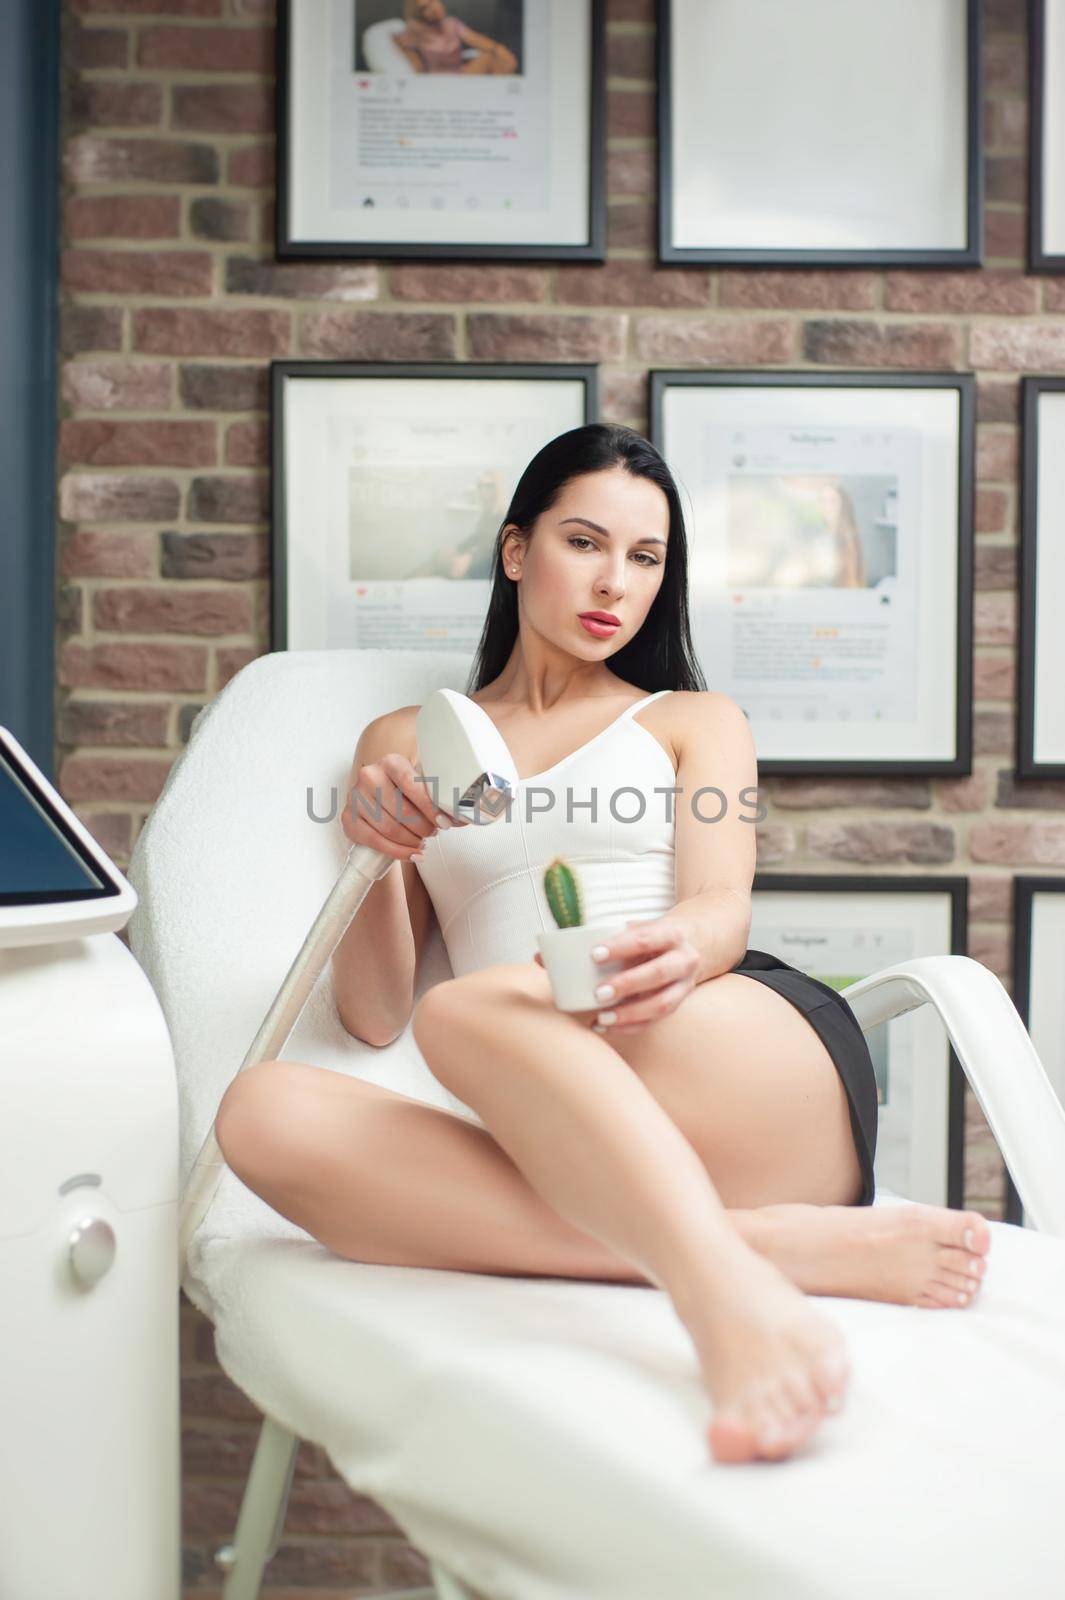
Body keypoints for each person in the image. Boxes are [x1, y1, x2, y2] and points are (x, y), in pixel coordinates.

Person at [215, 423, 992, 1466]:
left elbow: (723, 910)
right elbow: (372, 1011)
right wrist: (372, 850)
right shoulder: (403, 743)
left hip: (721, 1040)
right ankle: (770, 1245)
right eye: (584, 542)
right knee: (261, 1112)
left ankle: (725, 1304)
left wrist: (681, 947)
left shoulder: (692, 719)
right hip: (557, 1104)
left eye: (645, 557)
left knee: (470, 1006)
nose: (613, 582)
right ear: (514, 549)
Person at [391, 0, 518, 75]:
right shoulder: (417, 34)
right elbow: (415, 65)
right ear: (419, 14)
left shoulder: (452, 24)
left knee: (498, 58)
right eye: (425, 8)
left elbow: (477, 40)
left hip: (461, 71)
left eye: (433, 1)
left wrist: (500, 49)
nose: (434, 8)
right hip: (442, 81)